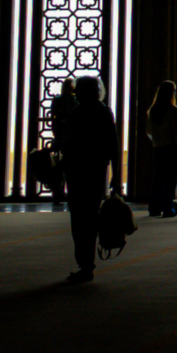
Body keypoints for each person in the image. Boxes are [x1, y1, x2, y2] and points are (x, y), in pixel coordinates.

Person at [60, 74, 119, 284]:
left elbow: (70, 143)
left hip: (77, 171)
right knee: (90, 216)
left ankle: (84, 263)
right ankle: (87, 264)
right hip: (95, 171)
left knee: (78, 219)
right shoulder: (103, 112)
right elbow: (113, 145)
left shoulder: (76, 113)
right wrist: (116, 175)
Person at [146, 80, 177, 218]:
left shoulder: (153, 110)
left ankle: (154, 208)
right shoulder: (173, 110)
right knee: (171, 180)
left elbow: (149, 131)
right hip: (172, 149)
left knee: (158, 179)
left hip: (158, 149)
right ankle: (167, 208)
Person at [50, 77, 77, 205]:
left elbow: (55, 116)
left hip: (61, 137)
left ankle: (58, 195)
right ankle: (71, 194)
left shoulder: (57, 100)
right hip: (72, 138)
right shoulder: (76, 101)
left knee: (59, 168)